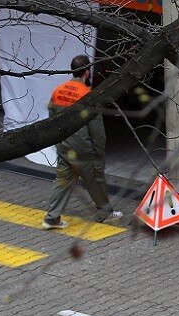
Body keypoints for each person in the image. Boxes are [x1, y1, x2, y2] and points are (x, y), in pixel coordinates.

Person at [42, 54, 122, 229]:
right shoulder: (88, 96)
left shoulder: (58, 91)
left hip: (64, 147)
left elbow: (51, 120)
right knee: (96, 179)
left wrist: (58, 143)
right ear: (87, 72)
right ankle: (106, 213)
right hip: (84, 148)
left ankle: (51, 218)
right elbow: (97, 131)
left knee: (63, 181)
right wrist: (99, 151)